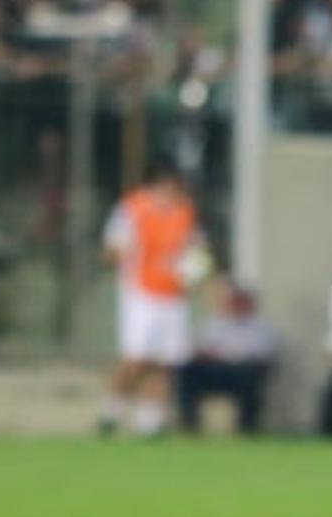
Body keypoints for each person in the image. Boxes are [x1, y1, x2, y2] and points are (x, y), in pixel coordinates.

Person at [100, 165, 209, 438]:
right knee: (136, 358)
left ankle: (150, 421)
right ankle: (111, 411)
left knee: (164, 362)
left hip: (173, 296)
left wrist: (194, 270)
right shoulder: (133, 209)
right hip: (141, 294)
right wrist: (119, 255)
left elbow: (197, 251)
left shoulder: (186, 213)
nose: (171, 193)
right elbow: (112, 248)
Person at [177, 281, 280, 434]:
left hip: (243, 372)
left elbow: (264, 355)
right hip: (215, 370)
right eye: (233, 302)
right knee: (187, 371)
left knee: (249, 379)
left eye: (240, 302)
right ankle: (189, 425)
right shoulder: (215, 324)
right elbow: (202, 348)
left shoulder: (261, 328)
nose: (236, 306)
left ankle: (248, 428)